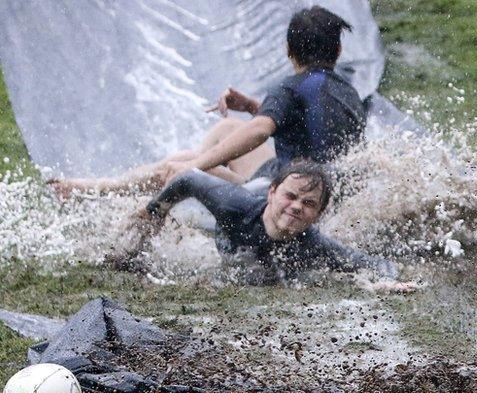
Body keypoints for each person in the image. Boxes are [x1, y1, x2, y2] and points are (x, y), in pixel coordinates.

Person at [50, 6, 366, 197]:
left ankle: (100, 191)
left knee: (178, 166)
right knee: (226, 126)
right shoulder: (346, 90)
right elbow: (312, 127)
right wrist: (257, 107)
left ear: (288, 50)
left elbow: (258, 132)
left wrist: (195, 167)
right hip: (321, 188)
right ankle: (193, 195)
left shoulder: (292, 86)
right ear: (337, 51)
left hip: (283, 192)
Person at [111, 160, 413, 291]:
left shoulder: (313, 244)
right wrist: (154, 214)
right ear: (275, 193)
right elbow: (189, 178)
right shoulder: (233, 205)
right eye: (291, 197)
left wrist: (386, 280)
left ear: (318, 215)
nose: (296, 206)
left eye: (308, 204)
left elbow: (371, 263)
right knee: (193, 219)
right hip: (246, 198)